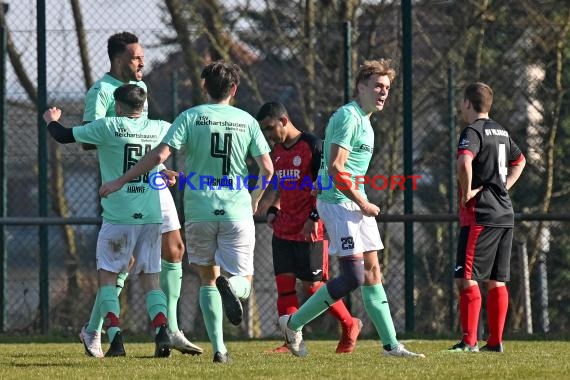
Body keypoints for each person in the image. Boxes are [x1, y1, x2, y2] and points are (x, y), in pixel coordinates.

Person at [99, 61, 274, 364]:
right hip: (236, 209)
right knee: (242, 278)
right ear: (234, 89)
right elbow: (268, 169)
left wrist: (120, 180)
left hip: (199, 209)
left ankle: (220, 349)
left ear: (205, 87)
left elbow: (159, 155)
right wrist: (255, 199)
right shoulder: (247, 121)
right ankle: (232, 288)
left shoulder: (190, 117)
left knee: (207, 279)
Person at [277, 59, 424, 358]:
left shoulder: (366, 122)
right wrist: (363, 202)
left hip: (353, 202)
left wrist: (361, 201)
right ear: (361, 87)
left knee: (372, 272)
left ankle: (391, 345)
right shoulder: (349, 116)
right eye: (377, 87)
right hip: (338, 203)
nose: (383, 93)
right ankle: (293, 323)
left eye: (387, 88)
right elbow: (334, 167)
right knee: (353, 276)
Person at [80, 31, 202, 356]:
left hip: (152, 178)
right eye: (136, 58)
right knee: (122, 263)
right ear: (119, 59)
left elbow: (145, 142)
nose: (141, 63)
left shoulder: (141, 89)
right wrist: (118, 133)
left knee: (175, 249)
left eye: (143, 58)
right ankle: (95, 329)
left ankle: (170, 328)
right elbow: (88, 139)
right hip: (122, 185)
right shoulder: (102, 91)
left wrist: (162, 168)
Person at [43, 85, 173, 358]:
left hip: (118, 216)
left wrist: (51, 120)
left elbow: (64, 136)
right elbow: (155, 157)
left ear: (120, 106)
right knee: (152, 281)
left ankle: (114, 336)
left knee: (107, 279)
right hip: (151, 216)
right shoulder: (161, 127)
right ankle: (162, 329)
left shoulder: (108, 126)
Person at [256, 101, 362, 354]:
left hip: (311, 228)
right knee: (284, 285)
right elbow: (287, 187)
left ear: (283, 120)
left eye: (270, 128)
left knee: (313, 287)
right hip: (283, 228)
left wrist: (314, 216)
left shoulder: (312, 146)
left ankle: (350, 324)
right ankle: (292, 341)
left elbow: (324, 184)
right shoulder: (278, 151)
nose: (269, 135)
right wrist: (274, 208)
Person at [449, 82, 525, 352]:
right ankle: (495, 342)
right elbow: (520, 160)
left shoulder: (472, 131)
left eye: (461, 102)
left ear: (468, 103)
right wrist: (504, 187)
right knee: (496, 279)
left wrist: (467, 191)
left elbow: (463, 161)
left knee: (466, 277)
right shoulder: (501, 131)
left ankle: (469, 342)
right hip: (505, 213)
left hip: (481, 213)